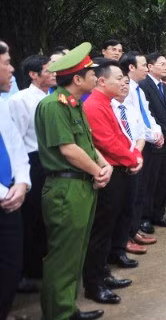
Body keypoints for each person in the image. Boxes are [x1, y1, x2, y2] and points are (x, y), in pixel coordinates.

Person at [36, 42, 108, 320]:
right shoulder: (54, 106)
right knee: (62, 256)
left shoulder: (74, 104)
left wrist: (104, 166)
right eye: (91, 73)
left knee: (75, 253)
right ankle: (58, 314)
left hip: (81, 186)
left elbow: (87, 145)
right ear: (77, 79)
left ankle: (67, 308)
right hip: (65, 188)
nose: (96, 77)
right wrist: (96, 170)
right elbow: (68, 149)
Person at [81, 60, 143, 305]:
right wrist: (132, 158)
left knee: (109, 227)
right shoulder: (94, 105)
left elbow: (119, 136)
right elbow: (105, 142)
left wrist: (133, 156)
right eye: (118, 78)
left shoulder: (106, 103)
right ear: (102, 80)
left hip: (119, 168)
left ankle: (102, 273)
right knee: (101, 230)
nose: (123, 82)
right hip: (109, 172)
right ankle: (93, 284)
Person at [8, 54, 56, 293]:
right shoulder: (20, 100)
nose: (54, 73)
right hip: (31, 162)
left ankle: (39, 265)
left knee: (45, 216)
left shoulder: (53, 97)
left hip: (51, 161)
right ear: (33, 74)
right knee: (31, 217)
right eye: (49, 70)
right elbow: (16, 136)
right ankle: (24, 271)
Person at [111, 51, 161, 267]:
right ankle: (127, 236)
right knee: (129, 196)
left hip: (140, 147)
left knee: (140, 191)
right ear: (131, 68)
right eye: (143, 65)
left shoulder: (138, 90)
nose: (147, 68)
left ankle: (134, 230)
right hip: (128, 152)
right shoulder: (124, 90)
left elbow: (144, 116)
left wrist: (155, 132)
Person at [0, 41, 31, 319]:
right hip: (4, 195)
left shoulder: (2, 104)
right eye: (7, 62)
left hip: (12, 196)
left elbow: (16, 145)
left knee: (9, 266)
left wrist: (21, 181)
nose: (12, 69)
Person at [138, 53, 166, 231]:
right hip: (154, 142)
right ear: (150, 66)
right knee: (151, 180)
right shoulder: (143, 86)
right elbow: (148, 115)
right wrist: (163, 131)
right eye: (161, 64)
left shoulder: (165, 87)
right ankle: (145, 216)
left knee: (165, 178)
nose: (165, 66)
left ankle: (158, 213)